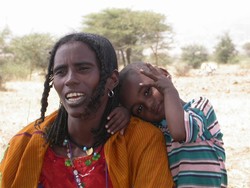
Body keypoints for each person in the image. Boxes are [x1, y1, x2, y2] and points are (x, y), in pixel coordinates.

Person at [0, 33, 174, 187]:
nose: (69, 80)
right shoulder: (25, 143)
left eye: (83, 69)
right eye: (60, 71)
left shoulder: (141, 141)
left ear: (112, 80)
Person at [118, 62, 228, 187]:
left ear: (164, 75)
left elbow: (179, 131)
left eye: (147, 92)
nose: (149, 105)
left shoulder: (200, 107)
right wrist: (125, 114)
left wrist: (169, 90)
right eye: (139, 109)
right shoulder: (155, 128)